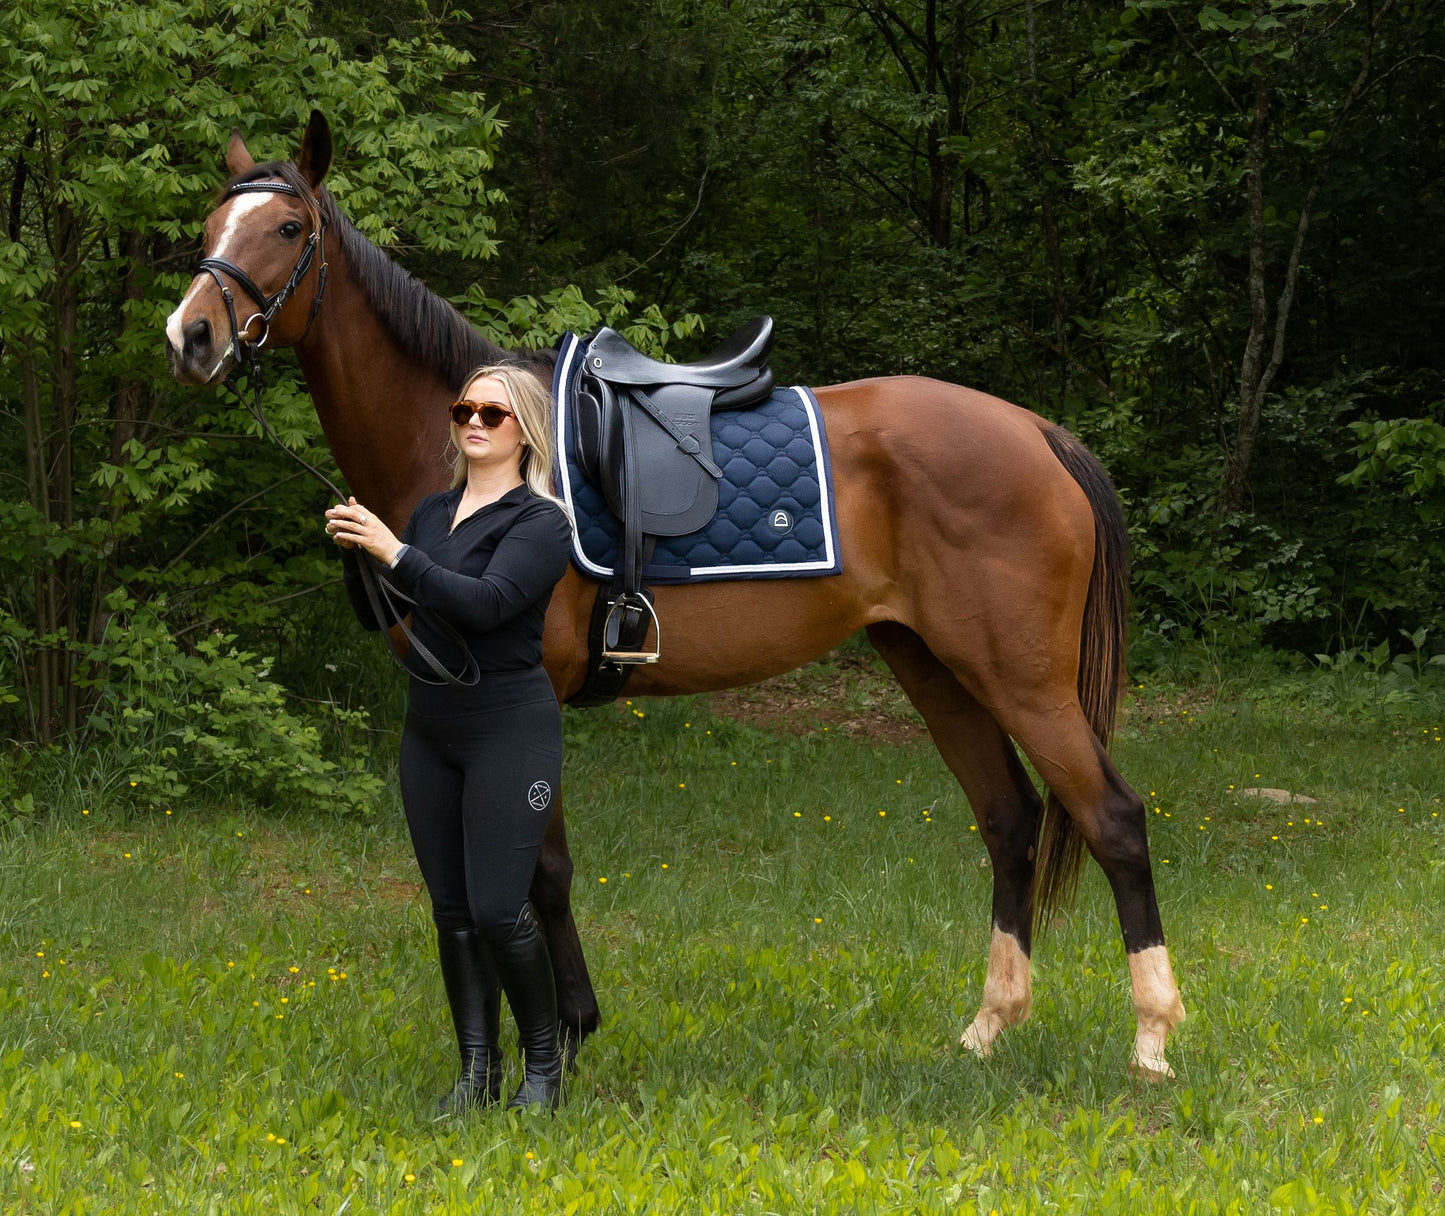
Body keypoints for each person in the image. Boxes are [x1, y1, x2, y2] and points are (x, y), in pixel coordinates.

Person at [325, 362, 573, 1112]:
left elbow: (486, 604)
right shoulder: (433, 514)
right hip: (430, 729)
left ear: (523, 430)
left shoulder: (541, 522)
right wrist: (356, 558)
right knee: (453, 911)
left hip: (509, 726)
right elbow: (385, 617)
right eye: (465, 409)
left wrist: (392, 551)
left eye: (491, 414)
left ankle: (543, 1070)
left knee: (499, 907)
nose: (472, 422)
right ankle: (476, 1072)